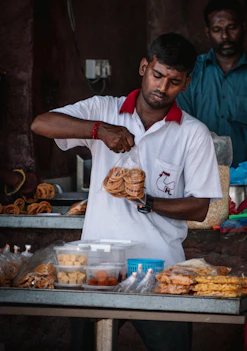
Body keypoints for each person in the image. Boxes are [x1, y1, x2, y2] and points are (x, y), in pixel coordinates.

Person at [31, 32, 222, 351]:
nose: (162, 87)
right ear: (144, 67)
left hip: (161, 272)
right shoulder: (104, 109)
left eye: (174, 81)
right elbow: (41, 123)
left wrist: (148, 201)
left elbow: (199, 207)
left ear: (186, 83)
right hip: (97, 268)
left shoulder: (193, 134)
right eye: (157, 75)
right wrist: (98, 130)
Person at [177, 0, 247, 169]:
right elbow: (182, 128)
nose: (225, 36)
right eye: (217, 29)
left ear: (244, 27)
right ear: (207, 32)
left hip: (244, 176)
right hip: (195, 172)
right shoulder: (191, 73)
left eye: (231, 28)